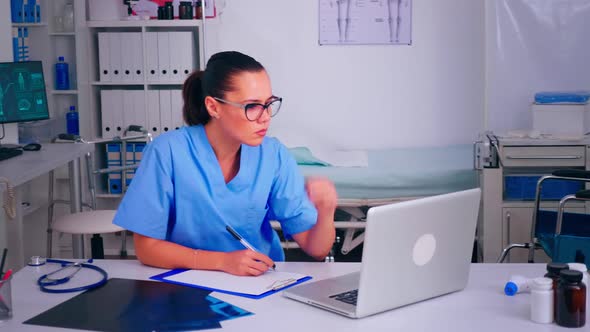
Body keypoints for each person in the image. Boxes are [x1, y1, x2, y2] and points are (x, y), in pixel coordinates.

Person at [113, 51, 337, 276]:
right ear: (213, 107)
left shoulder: (273, 155)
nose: (265, 116)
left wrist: (325, 211)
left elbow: (316, 249)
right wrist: (221, 261)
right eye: (252, 106)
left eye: (269, 103)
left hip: (259, 283)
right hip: (187, 283)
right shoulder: (167, 152)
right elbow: (146, 249)